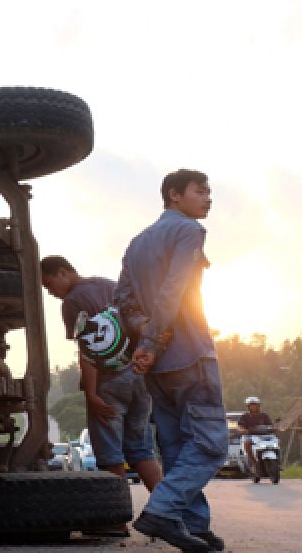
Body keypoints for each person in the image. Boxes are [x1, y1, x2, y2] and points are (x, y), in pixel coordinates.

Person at [117, 169, 226, 553]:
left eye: (209, 191)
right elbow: (175, 289)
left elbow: (123, 301)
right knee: (212, 445)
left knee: (177, 445)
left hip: (156, 366)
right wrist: (153, 338)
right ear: (174, 195)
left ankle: (194, 526)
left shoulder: (137, 243)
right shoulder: (188, 232)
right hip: (188, 353)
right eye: (201, 191)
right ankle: (163, 511)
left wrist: (143, 338)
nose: (208, 198)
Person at [40, 256, 162, 492]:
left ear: (63, 272)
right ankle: (168, 511)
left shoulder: (72, 302)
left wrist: (92, 394)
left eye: (48, 284)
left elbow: (89, 349)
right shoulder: (109, 286)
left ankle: (117, 520)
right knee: (141, 451)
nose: (50, 292)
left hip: (109, 382)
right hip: (139, 376)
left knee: (110, 456)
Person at [237, 395, 274, 471]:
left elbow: (270, 425)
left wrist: (275, 427)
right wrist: (242, 430)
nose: (253, 407)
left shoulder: (264, 415)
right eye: (251, 405)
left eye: (255, 405)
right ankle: (253, 462)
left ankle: (277, 461)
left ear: (258, 406)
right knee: (247, 443)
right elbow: (240, 426)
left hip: (264, 435)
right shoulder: (244, 416)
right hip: (250, 435)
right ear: (248, 407)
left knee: (277, 441)